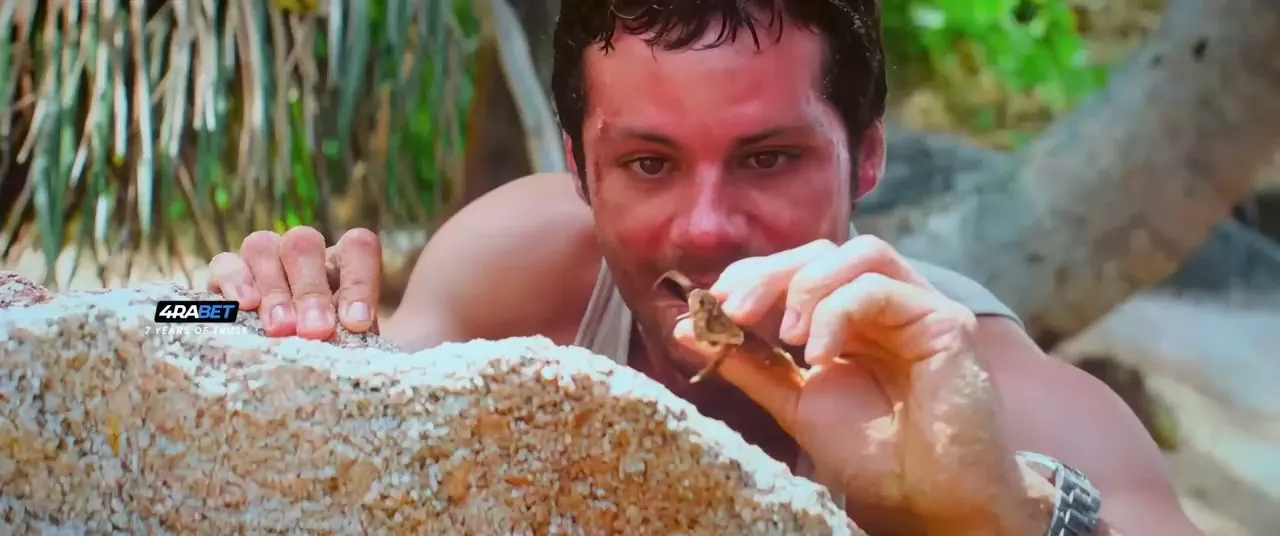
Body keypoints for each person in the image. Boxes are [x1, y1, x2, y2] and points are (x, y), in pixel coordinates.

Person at [208, 1, 1201, 534]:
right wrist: (236, 321)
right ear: (578, 170)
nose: (708, 225)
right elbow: (341, 382)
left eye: (768, 158)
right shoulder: (527, 271)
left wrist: (1003, 513)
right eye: (649, 164)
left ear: (864, 156)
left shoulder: (985, 398)